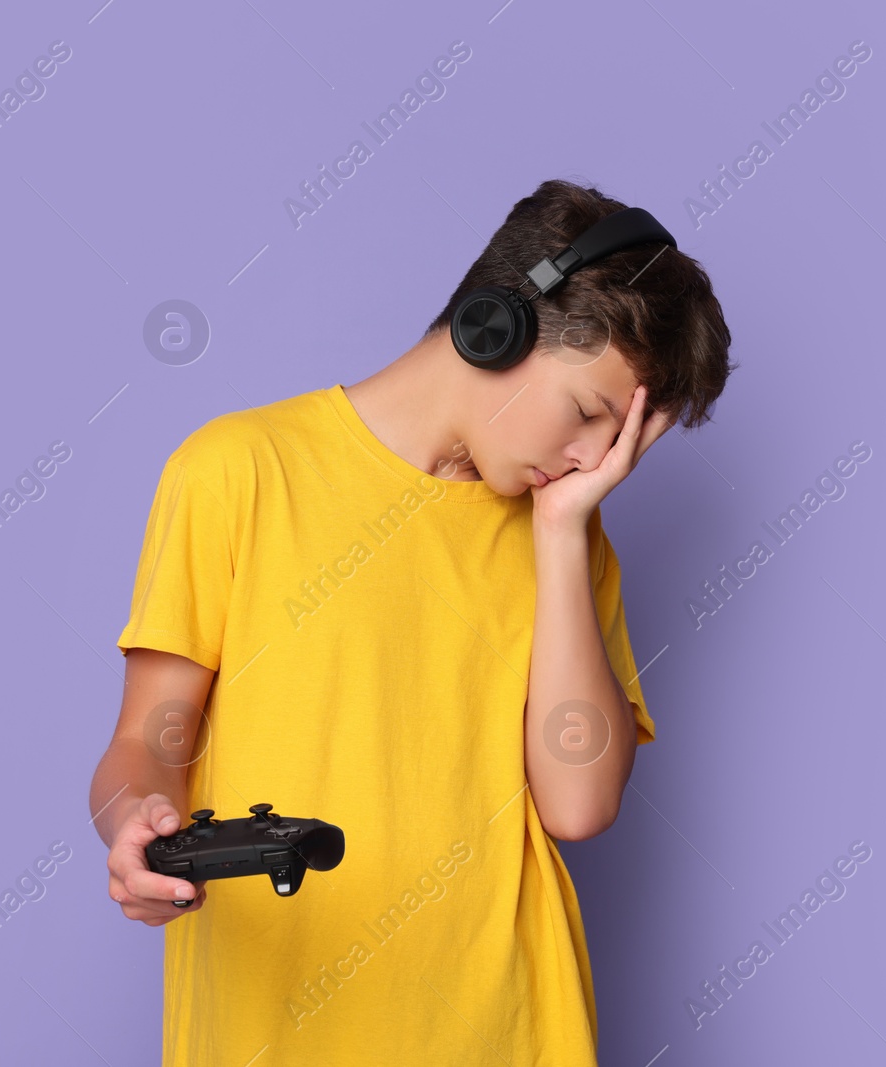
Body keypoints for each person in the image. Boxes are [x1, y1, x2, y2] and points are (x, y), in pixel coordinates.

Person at [88, 177, 735, 1065]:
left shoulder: (573, 539)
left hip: (510, 1033)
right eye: (587, 413)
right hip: (271, 1028)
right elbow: (148, 737)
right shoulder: (239, 471)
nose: (593, 461)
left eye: (618, 443)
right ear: (495, 326)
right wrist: (140, 824)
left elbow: (580, 805)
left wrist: (559, 535)